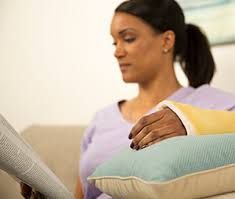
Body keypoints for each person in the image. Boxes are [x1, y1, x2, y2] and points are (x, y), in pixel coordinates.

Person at [21, 0, 235, 198]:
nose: (117, 52)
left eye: (128, 38)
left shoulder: (212, 103)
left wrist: (190, 123)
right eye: (115, 43)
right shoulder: (101, 120)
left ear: (167, 41)